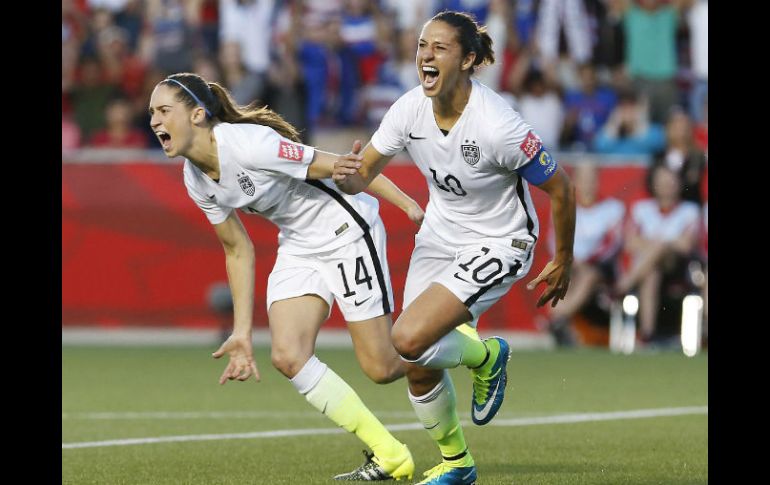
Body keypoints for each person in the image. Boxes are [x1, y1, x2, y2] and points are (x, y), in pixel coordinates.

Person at [332, 11, 576, 485]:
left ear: (467, 60)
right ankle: (458, 464)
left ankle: (488, 357)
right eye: (423, 45)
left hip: (501, 240)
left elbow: (562, 188)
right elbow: (364, 172)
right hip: (441, 235)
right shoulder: (407, 109)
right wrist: (348, 172)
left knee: (406, 340)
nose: (426, 54)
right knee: (415, 361)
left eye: (439, 47)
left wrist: (563, 257)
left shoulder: (499, 125)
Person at [148, 72, 423, 481]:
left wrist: (407, 204)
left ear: (198, 115)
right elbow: (237, 249)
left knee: (383, 366)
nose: (154, 121)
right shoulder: (195, 177)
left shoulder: (249, 144)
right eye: (151, 113)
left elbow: (343, 167)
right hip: (298, 245)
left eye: (164, 111)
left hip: (345, 230)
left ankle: (470, 348)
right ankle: (390, 455)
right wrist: (242, 332)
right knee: (288, 356)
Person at [615, 164, 701, 342]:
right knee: (652, 272)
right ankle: (648, 334)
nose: (667, 185)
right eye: (662, 181)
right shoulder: (642, 209)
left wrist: (657, 244)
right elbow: (630, 242)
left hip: (677, 267)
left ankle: (623, 285)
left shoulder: (690, 211)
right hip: (648, 268)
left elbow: (686, 245)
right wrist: (664, 243)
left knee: (660, 248)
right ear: (654, 184)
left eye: (670, 180)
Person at [545, 162, 624, 346]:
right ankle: (560, 324)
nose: (588, 184)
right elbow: (555, 240)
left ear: (598, 181)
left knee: (588, 275)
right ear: (575, 181)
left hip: (601, 268)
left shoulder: (613, 208)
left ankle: (557, 320)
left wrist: (582, 261)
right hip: (571, 265)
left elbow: (611, 244)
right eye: (583, 179)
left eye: (592, 179)